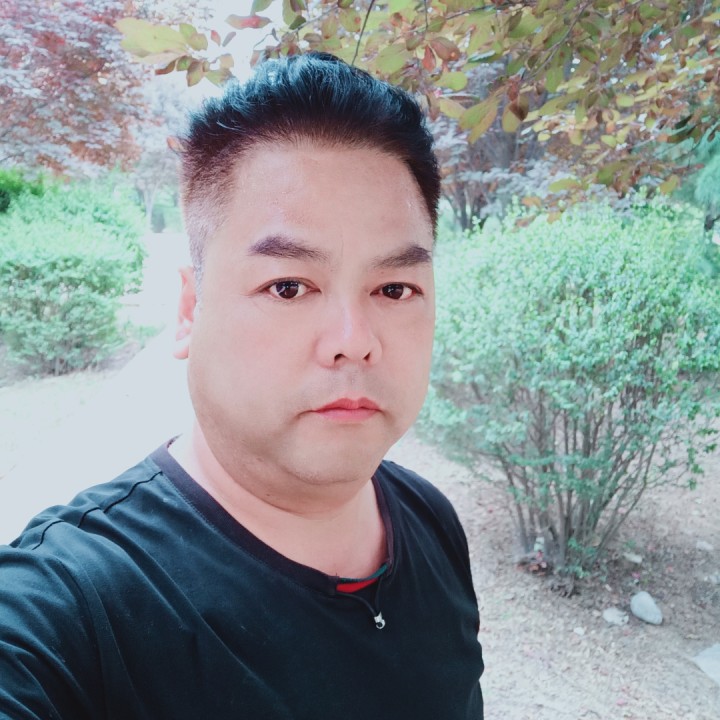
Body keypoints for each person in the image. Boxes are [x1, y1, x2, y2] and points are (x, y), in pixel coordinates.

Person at [0, 52, 484, 719]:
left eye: (394, 288)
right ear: (190, 310)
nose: (354, 339)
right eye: (288, 286)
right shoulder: (74, 607)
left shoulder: (430, 520)